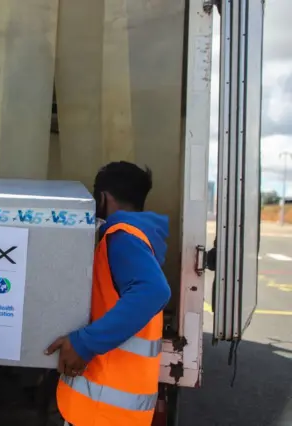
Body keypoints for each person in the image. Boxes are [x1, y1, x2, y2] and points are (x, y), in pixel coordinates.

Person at [46, 161, 171, 426]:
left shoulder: (122, 236)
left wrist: (85, 343)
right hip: (111, 405)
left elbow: (153, 291)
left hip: (104, 410)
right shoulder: (137, 236)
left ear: (103, 198)